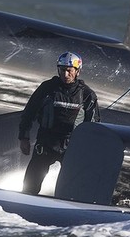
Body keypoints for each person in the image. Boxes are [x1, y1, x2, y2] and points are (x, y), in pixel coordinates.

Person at [18, 51, 99, 195]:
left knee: (72, 191)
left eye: (69, 71)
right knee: (30, 187)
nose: (65, 75)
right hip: (45, 143)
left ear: (77, 71)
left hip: (71, 148)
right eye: (62, 70)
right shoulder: (47, 88)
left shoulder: (87, 94)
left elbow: (93, 125)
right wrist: (23, 137)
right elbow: (29, 112)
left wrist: (89, 152)